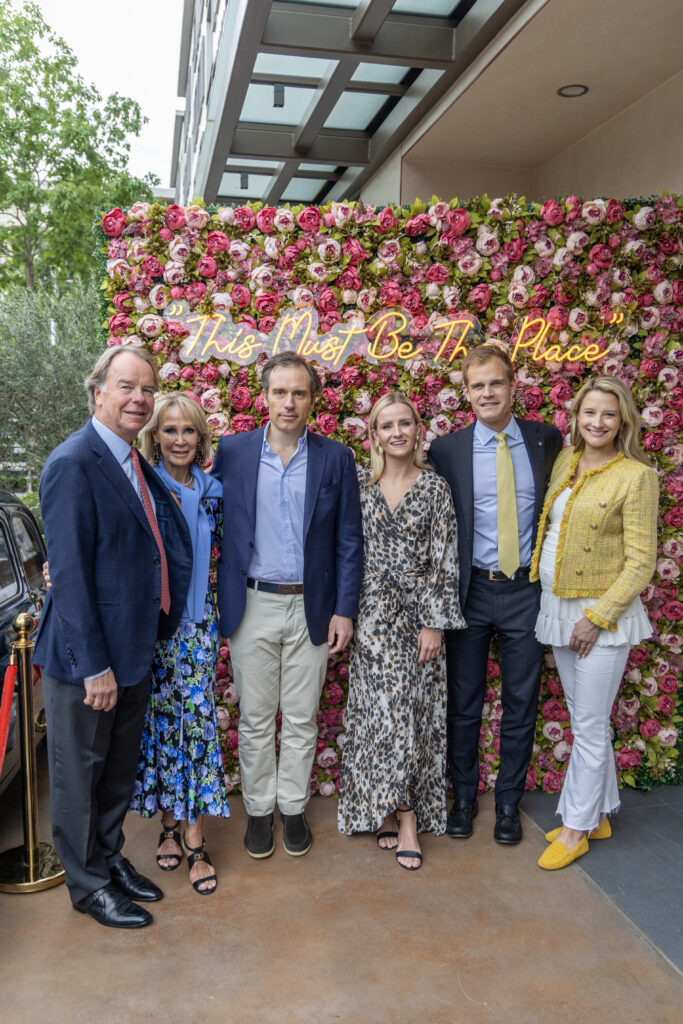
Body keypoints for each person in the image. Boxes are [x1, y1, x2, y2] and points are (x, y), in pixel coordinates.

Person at [33, 348, 192, 929]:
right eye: (127, 386)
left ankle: (108, 857)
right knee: (79, 777)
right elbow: (69, 576)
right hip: (87, 662)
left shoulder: (127, 456)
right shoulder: (73, 462)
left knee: (116, 771)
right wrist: (94, 665)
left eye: (148, 389)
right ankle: (88, 886)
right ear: (97, 389)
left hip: (132, 649)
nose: (139, 399)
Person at [211, 352, 363, 859]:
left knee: (301, 718)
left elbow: (347, 540)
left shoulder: (335, 458)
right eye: (280, 392)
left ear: (313, 399)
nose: (289, 402)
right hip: (251, 604)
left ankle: (292, 808)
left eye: (299, 393)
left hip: (312, 607)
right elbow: (195, 513)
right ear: (265, 396)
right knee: (255, 719)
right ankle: (258, 812)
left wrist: (344, 609)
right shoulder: (231, 452)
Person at [429, 343, 562, 844]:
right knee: (463, 702)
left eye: (496, 383)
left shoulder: (545, 440)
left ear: (513, 386)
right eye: (477, 385)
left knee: (521, 701)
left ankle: (508, 802)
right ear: (466, 393)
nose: (487, 392)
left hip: (526, 591)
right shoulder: (447, 451)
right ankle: (463, 798)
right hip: (470, 593)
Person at [532, 376, 658, 870]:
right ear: (576, 417)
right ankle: (600, 814)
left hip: (600, 615)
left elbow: (641, 561)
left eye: (608, 414)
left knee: (586, 725)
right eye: (589, 413)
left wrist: (597, 617)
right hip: (556, 605)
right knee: (588, 719)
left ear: (622, 419)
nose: (597, 423)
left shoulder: (635, 476)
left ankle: (575, 829)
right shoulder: (566, 459)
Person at [338, 393, 465, 870]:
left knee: (412, 718)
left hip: (417, 621)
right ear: (373, 434)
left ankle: (407, 816)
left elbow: (444, 560)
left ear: (417, 430)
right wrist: (345, 612)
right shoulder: (360, 487)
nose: (396, 432)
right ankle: (387, 808)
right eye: (386, 425)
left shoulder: (434, 489)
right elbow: (347, 555)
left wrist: (433, 622)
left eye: (404, 423)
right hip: (371, 619)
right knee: (379, 717)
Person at [128, 394, 230, 894]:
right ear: (155, 437)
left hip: (200, 627)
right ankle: (171, 825)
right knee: (162, 724)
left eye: (188, 431)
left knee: (197, 725)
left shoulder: (214, 490)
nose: (179, 440)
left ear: (200, 437)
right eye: (169, 431)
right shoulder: (141, 488)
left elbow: (228, 557)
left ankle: (193, 835)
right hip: (154, 629)